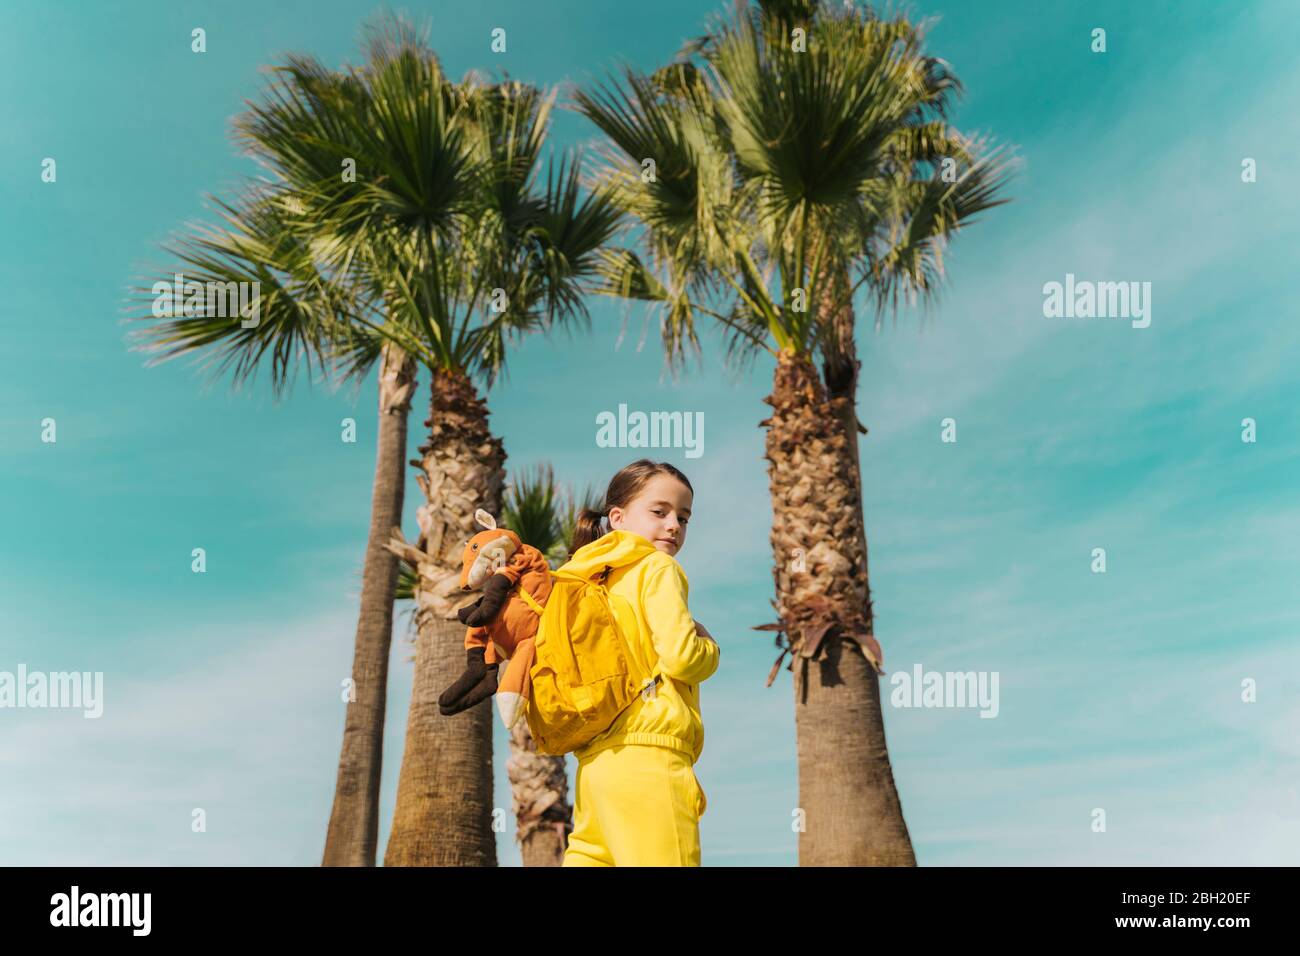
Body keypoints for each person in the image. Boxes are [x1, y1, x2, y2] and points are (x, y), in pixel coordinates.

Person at [560, 458, 720, 866]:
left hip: (595, 766)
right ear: (617, 517)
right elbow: (682, 658)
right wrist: (709, 647)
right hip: (651, 756)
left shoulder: (588, 578)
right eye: (659, 512)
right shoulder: (657, 567)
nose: (673, 526)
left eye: (684, 518)